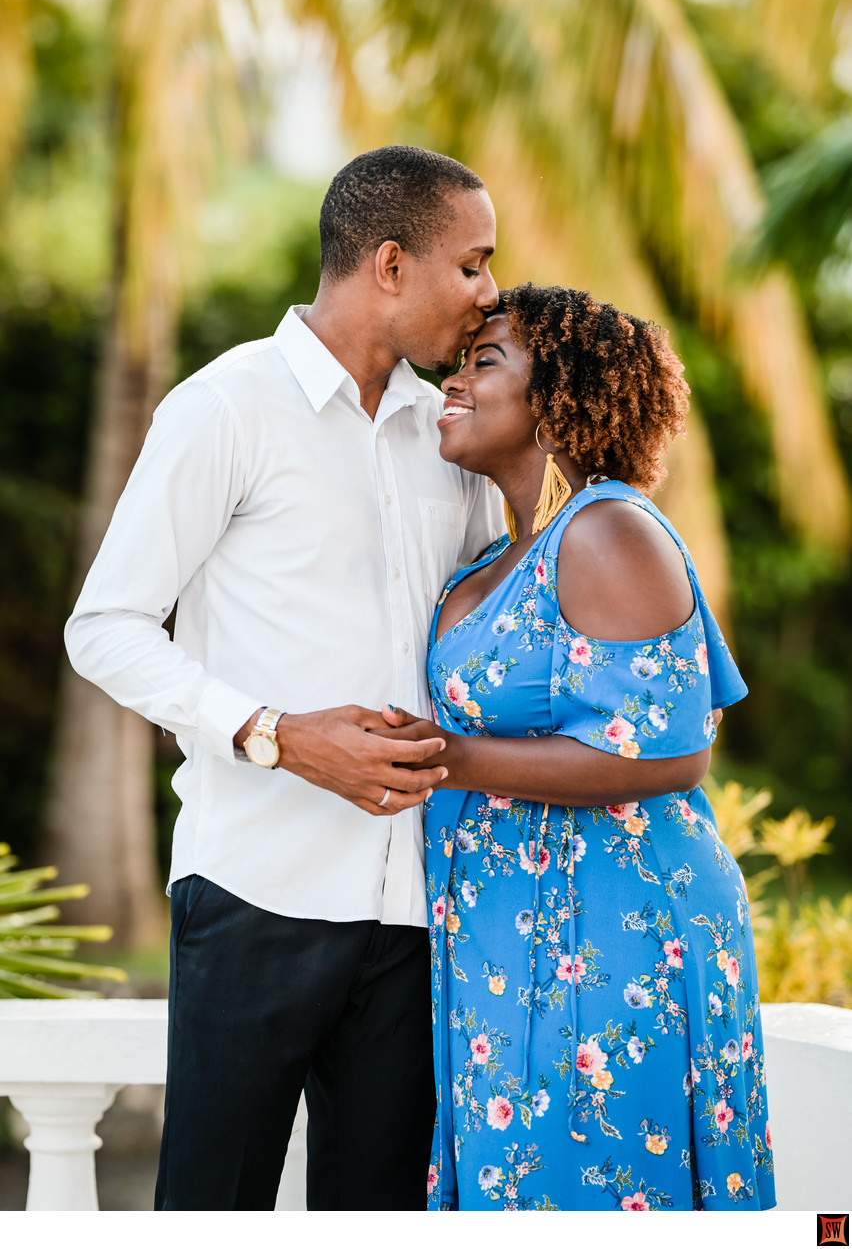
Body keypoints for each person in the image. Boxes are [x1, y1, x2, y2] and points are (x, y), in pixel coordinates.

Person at [64, 145, 508, 1211]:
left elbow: (490, 622)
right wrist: (276, 732)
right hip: (255, 891)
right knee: (210, 1214)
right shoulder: (224, 407)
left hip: (413, 912)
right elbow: (106, 625)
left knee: (380, 1222)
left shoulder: (451, 436)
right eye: (474, 264)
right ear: (391, 264)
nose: (491, 293)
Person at [379, 283, 776, 1211]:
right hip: (503, 935)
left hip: (612, 923)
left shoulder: (606, 529)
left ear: (557, 398)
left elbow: (666, 756)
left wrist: (454, 760)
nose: (455, 380)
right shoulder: (497, 556)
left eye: (487, 362)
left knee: (594, 1183)